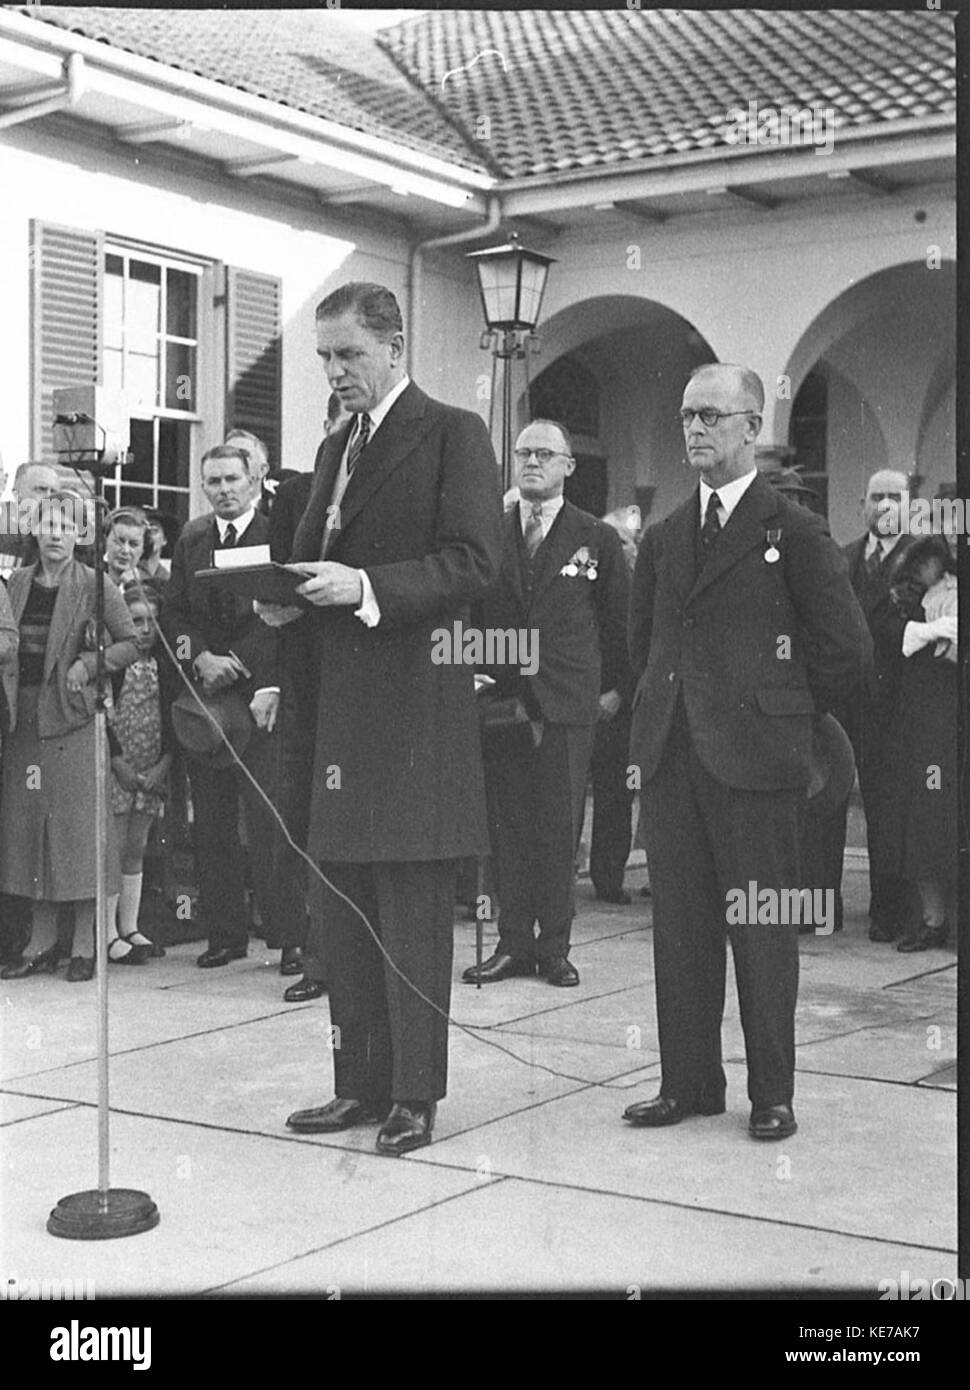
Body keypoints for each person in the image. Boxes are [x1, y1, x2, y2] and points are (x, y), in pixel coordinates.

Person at [259, 280, 502, 1156]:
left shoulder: (452, 434)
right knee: (346, 920)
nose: (336, 371)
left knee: (409, 922)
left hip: (414, 725)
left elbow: (476, 562)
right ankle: (356, 1084)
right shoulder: (337, 447)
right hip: (339, 726)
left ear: (396, 348)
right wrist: (289, 599)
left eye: (350, 354)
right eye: (325, 357)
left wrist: (364, 589)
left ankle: (414, 1096)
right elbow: (324, 559)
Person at [623, 363, 870, 1142]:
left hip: (758, 766)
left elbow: (846, 651)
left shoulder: (791, 528)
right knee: (682, 932)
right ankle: (689, 1083)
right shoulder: (665, 538)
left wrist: (786, 716)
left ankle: (773, 1093)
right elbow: (644, 644)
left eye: (711, 416)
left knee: (762, 933)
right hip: (673, 758)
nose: (695, 429)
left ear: (750, 426)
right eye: (687, 416)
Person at [462, 420, 630, 986]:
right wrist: (476, 671)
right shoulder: (489, 531)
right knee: (508, 826)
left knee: (559, 828)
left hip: (567, 703)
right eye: (524, 452)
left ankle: (554, 946)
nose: (532, 462)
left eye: (545, 454)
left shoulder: (596, 538)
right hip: (504, 703)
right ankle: (513, 943)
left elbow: (618, 623)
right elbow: (473, 610)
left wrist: (613, 689)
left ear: (568, 466)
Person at [161, 444, 300, 971]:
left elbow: (287, 613)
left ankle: (290, 937)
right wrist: (199, 656)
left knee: (269, 824)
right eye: (212, 481)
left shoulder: (277, 536)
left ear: (253, 480)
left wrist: (239, 662)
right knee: (213, 824)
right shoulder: (194, 541)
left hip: (262, 698)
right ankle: (225, 935)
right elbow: (171, 614)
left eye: (231, 480)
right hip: (207, 704)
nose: (222, 490)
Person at [0, 492, 138, 982]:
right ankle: (39, 943)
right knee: (28, 833)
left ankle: (84, 945)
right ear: (34, 530)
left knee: (77, 835)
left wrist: (88, 663)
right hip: (23, 721)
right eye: (47, 525)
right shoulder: (15, 583)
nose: (55, 534)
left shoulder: (95, 585)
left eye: (65, 526)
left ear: (81, 535)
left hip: (73, 722)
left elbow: (131, 643)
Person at [271, 391, 351, 1003]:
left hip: (370, 680)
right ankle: (317, 957)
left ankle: (354, 957)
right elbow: (277, 574)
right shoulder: (298, 494)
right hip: (307, 677)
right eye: (341, 426)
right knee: (311, 822)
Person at [838, 470, 916, 942]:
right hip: (852, 703)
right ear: (862, 505)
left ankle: (891, 910)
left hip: (903, 705)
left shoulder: (924, 558)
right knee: (845, 805)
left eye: (894, 497)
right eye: (876, 497)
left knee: (893, 809)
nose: (884, 505)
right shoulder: (845, 558)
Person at [882, 536, 958, 952]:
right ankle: (930, 918)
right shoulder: (907, 597)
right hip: (916, 721)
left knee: (937, 817)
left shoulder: (952, 593)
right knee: (919, 820)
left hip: (945, 723)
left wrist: (933, 635)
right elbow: (895, 638)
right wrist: (926, 632)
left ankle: (939, 919)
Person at [106, 579, 179, 964]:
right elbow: (104, 717)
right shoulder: (117, 665)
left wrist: (163, 765)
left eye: (152, 622)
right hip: (121, 766)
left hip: (151, 767)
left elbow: (173, 721)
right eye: (136, 620)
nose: (145, 630)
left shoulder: (165, 667)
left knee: (136, 847)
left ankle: (130, 926)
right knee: (113, 848)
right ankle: (107, 933)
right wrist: (117, 761)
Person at [588, 504, 641, 905]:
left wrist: (619, 692)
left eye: (620, 541)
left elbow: (645, 648)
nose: (612, 549)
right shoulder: (584, 581)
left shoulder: (644, 585)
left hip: (620, 707)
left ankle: (609, 878)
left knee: (615, 798)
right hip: (578, 700)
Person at [104, 506, 150, 589]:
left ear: (143, 549)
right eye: (119, 541)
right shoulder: (87, 580)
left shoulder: (152, 588)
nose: (125, 550)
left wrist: (133, 586)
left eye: (133, 544)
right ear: (105, 540)